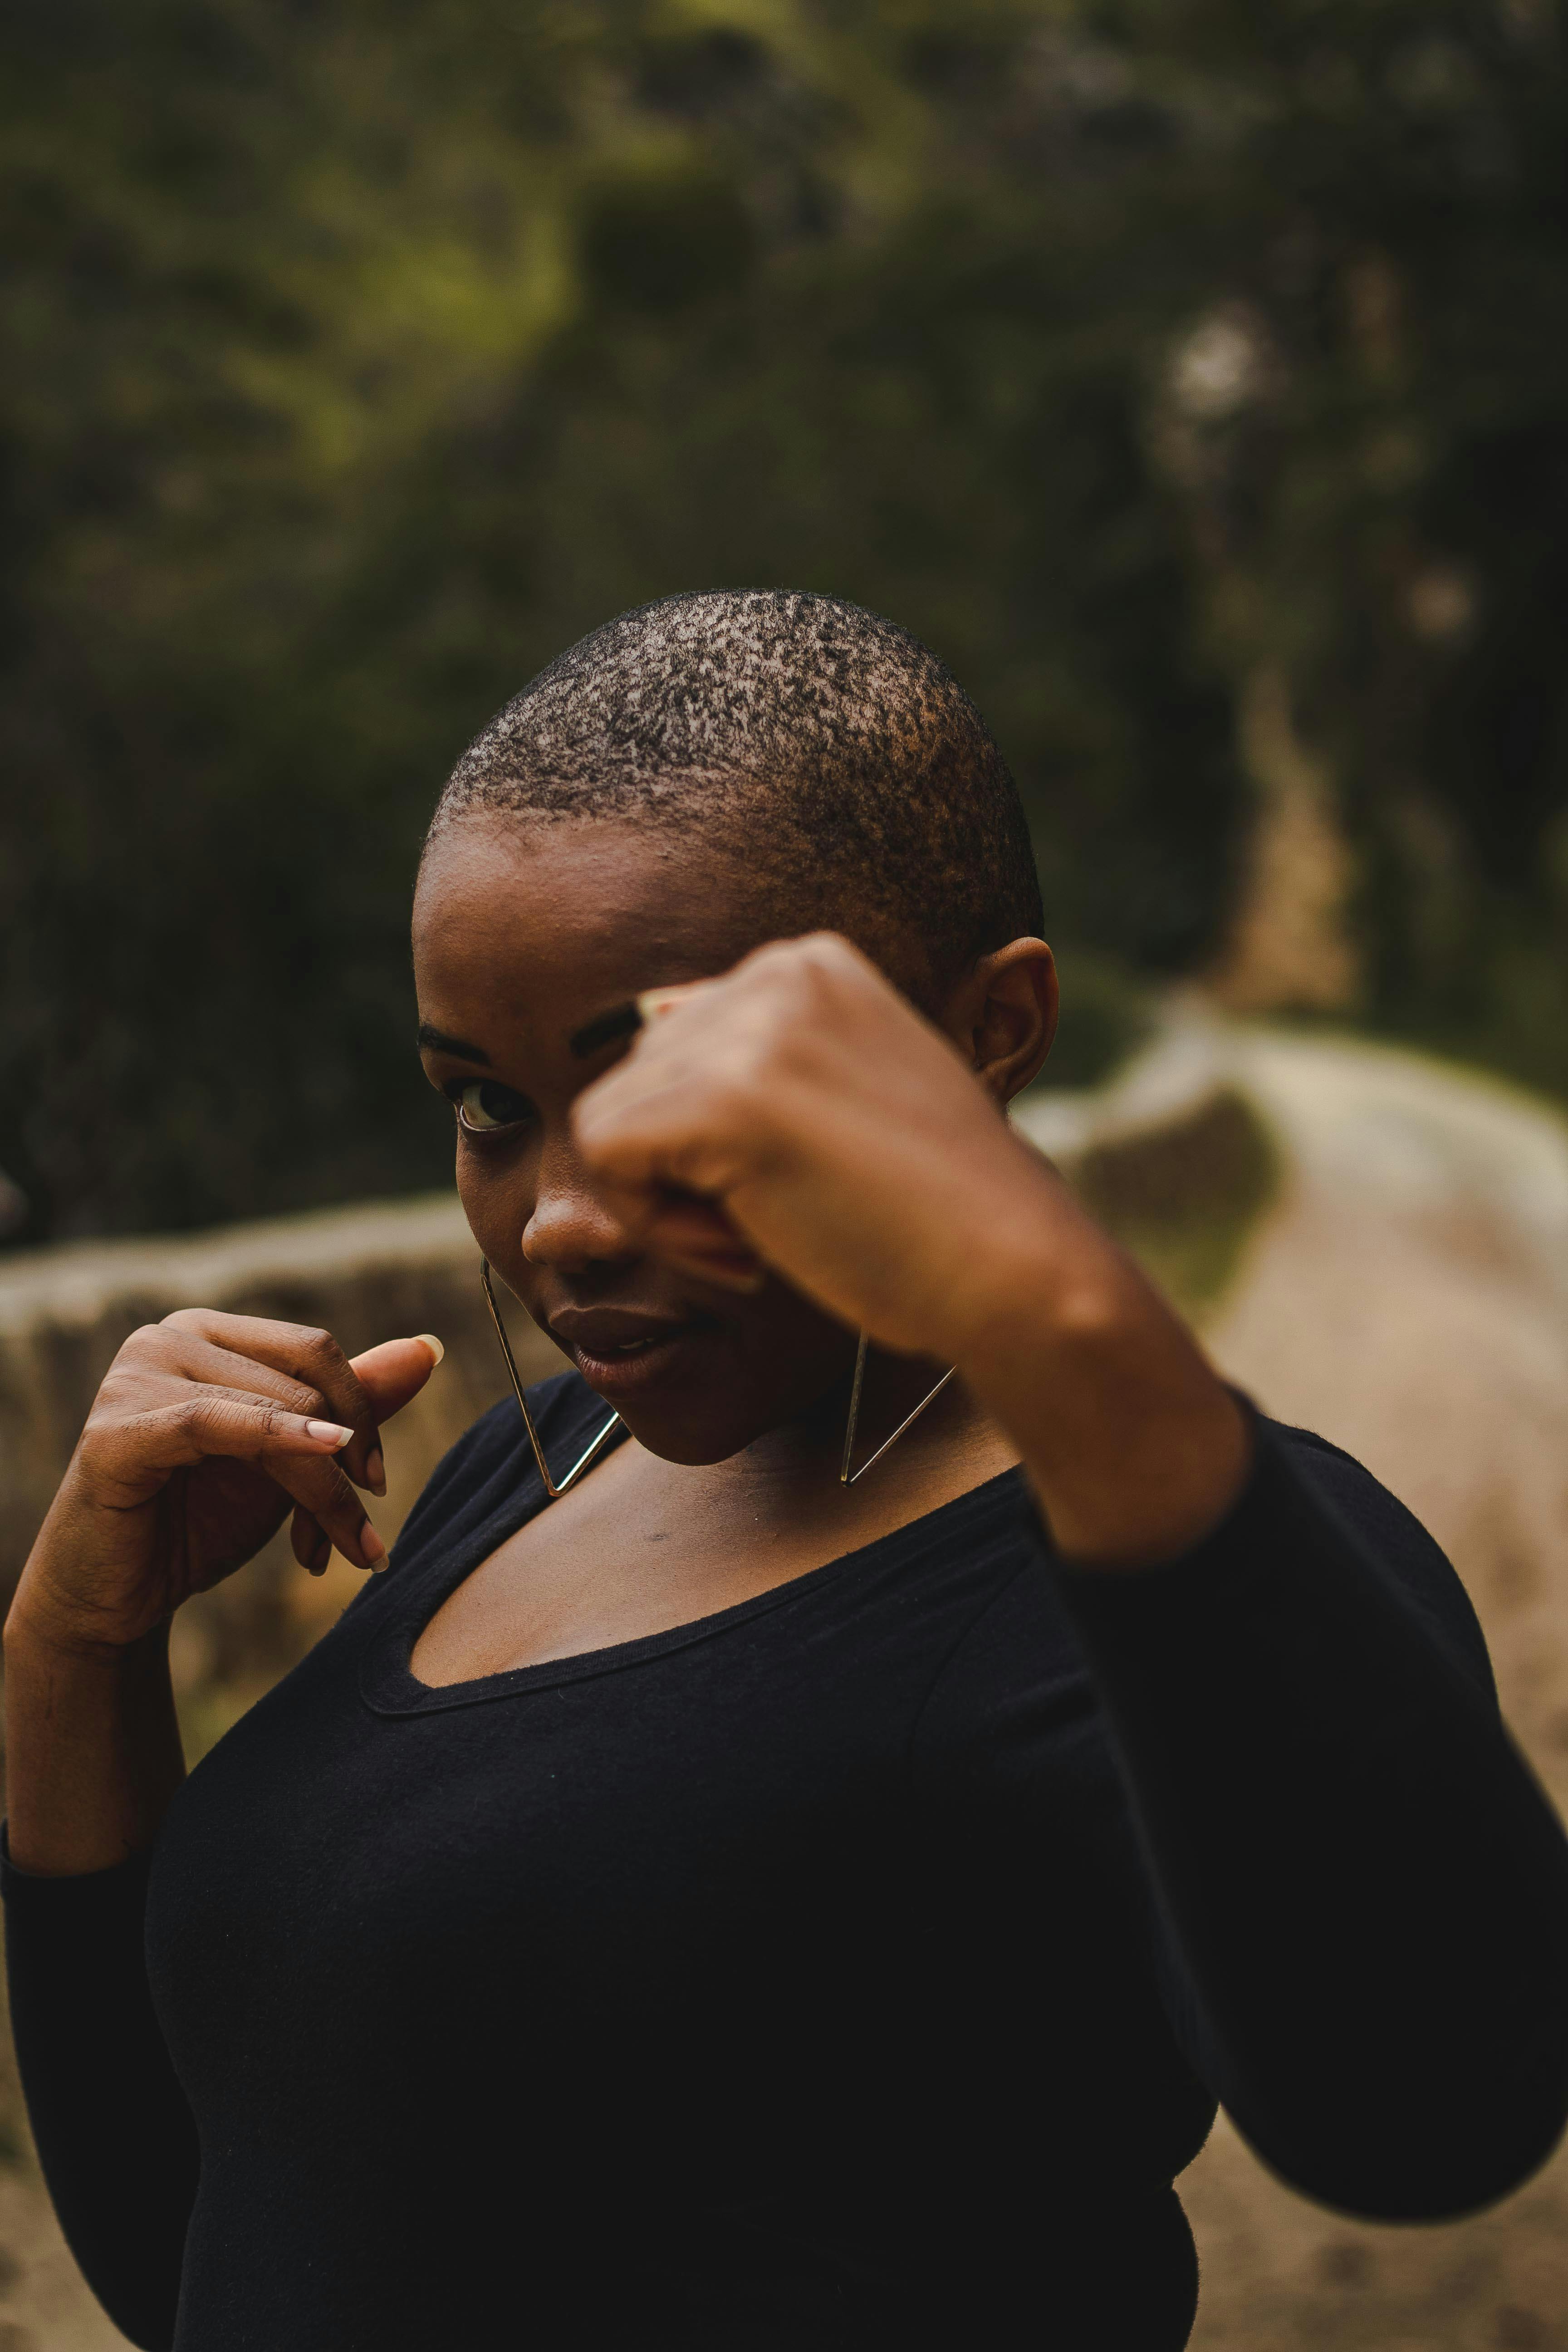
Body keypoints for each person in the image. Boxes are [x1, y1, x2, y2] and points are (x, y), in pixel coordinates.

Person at [6, 591, 1568, 2352]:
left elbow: (1440, 2107)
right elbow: (201, 2245)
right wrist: (71, 1650)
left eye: (670, 1085)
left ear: (989, 1035)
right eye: (486, 1108)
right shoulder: (531, 1470)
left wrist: (1052, 1309)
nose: (565, 1219)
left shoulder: (1178, 1552)